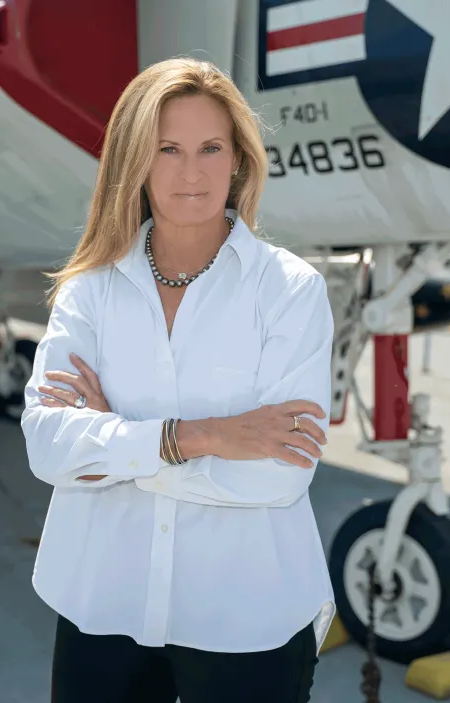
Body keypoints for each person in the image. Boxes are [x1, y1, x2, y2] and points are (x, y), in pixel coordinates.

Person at [20, 57, 336, 703]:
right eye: (167, 149)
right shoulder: (89, 291)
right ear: (134, 160)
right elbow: (49, 447)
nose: (190, 172)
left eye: (209, 147)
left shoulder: (289, 290)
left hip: (246, 618)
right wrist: (201, 436)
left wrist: (115, 444)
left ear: (239, 159)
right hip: (101, 606)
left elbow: (279, 475)